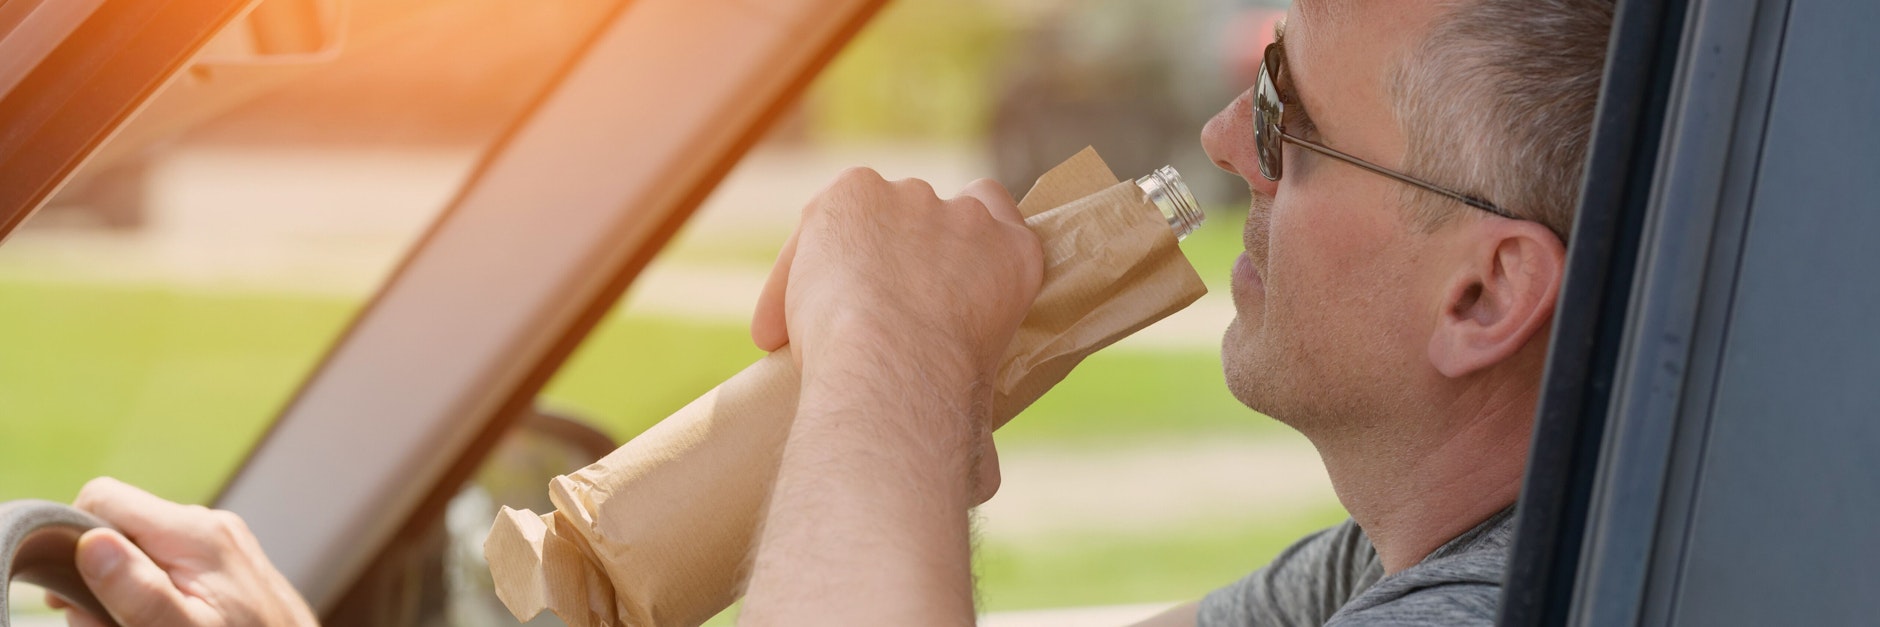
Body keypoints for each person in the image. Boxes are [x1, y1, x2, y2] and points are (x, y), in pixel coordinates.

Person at [51, 0, 1611, 625]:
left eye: (1285, 116)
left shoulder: (1496, 614)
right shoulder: (1383, 571)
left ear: (1482, 289)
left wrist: (900, 355)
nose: (1221, 148)